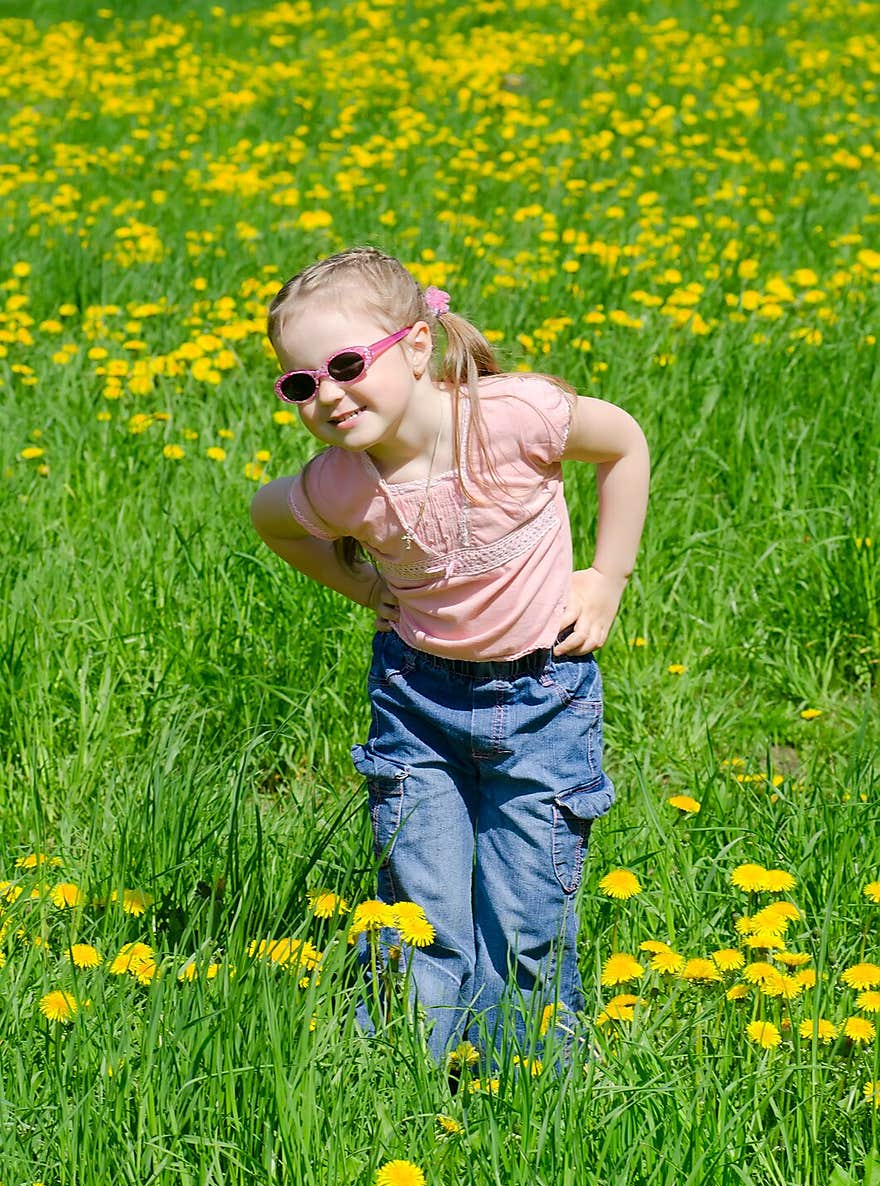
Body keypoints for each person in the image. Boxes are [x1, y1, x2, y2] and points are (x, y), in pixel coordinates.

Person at [250, 245, 650, 1066]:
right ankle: (407, 1074)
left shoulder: (512, 417)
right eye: (301, 384)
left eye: (347, 365)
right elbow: (270, 518)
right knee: (419, 907)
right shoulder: (342, 483)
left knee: (531, 910)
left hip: (546, 699)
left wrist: (606, 577)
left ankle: (526, 1081)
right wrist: (364, 591)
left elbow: (625, 445)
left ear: (419, 347)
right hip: (417, 704)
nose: (327, 394)